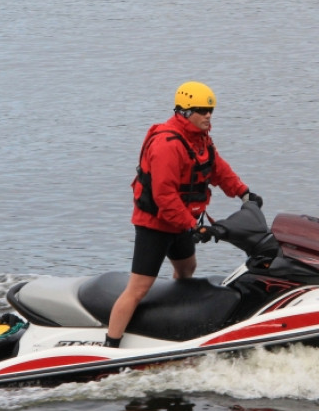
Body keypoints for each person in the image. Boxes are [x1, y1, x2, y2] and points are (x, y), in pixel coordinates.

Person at [104, 81, 262, 348]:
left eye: (211, 110)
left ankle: (172, 322)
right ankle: (110, 344)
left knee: (186, 268)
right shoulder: (167, 145)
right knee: (138, 289)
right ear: (185, 112)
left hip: (180, 223)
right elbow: (164, 196)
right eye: (202, 110)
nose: (208, 115)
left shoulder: (200, 140)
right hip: (154, 225)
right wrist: (192, 226)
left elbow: (218, 170)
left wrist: (244, 193)